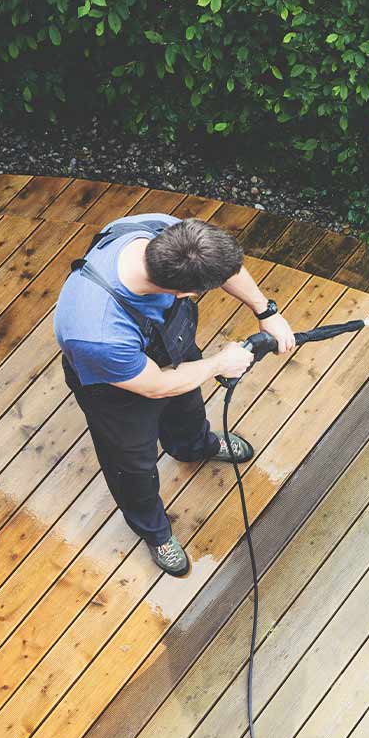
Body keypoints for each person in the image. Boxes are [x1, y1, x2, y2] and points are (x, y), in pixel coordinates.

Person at [53, 213, 296, 577]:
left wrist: (266, 311)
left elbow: (225, 267)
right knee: (131, 464)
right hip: (117, 390)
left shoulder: (167, 235)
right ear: (185, 293)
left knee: (187, 408)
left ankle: (194, 446)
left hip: (170, 349)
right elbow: (157, 385)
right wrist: (219, 363)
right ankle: (155, 531)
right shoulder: (96, 330)